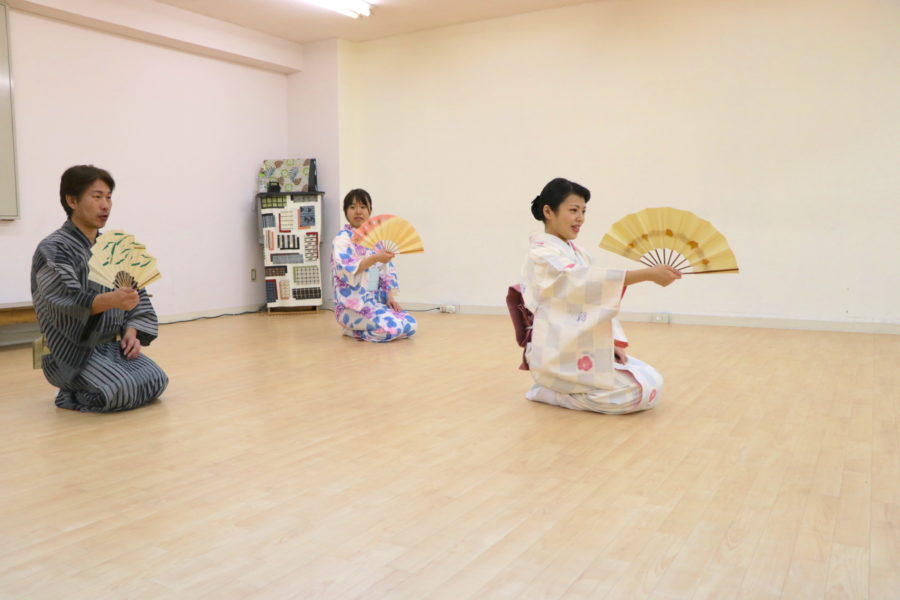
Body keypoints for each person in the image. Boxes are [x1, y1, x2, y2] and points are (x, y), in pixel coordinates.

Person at [520, 177, 681, 414]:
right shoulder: (541, 253)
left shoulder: (579, 254)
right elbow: (581, 280)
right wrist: (646, 274)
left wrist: (610, 342)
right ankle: (550, 392)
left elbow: (594, 298)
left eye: (583, 211)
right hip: (555, 349)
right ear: (548, 211)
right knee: (633, 394)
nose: (580, 218)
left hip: (581, 345)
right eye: (573, 210)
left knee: (651, 380)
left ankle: (560, 390)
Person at [30, 165, 168, 412]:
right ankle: (69, 396)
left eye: (108, 197)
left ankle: (102, 380)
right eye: (97, 197)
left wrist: (132, 331)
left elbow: (138, 295)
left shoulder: (113, 246)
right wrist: (112, 300)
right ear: (72, 201)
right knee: (119, 389)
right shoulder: (53, 248)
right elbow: (65, 300)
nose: (105, 205)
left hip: (112, 347)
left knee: (156, 380)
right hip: (72, 352)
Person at [331, 188, 417, 342]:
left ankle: (371, 324)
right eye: (352, 207)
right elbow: (347, 270)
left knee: (410, 325)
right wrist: (375, 258)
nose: (358, 211)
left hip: (375, 303)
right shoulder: (342, 239)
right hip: (352, 307)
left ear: (370, 210)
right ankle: (352, 331)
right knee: (390, 330)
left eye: (363, 207)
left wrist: (390, 297)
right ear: (346, 211)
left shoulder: (376, 240)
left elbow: (385, 271)